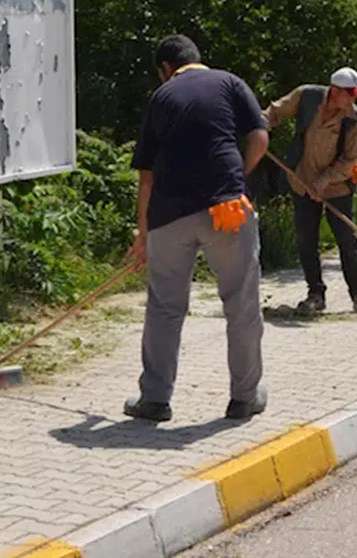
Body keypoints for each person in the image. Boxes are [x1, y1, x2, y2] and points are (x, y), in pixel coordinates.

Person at [123, 35, 270, 423]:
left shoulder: (161, 97)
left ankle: (154, 400)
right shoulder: (230, 83)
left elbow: (147, 177)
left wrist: (143, 234)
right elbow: (259, 137)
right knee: (240, 304)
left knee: (164, 308)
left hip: (169, 216)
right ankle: (244, 398)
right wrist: (238, 175)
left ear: (166, 69)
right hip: (227, 209)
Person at [264, 67, 357, 316]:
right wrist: (260, 125)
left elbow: (348, 160)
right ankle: (316, 295)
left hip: (337, 186)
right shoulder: (306, 97)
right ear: (334, 91)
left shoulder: (354, 119)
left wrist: (324, 181)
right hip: (301, 181)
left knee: (347, 238)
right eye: (350, 94)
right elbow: (275, 112)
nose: (353, 100)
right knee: (306, 240)